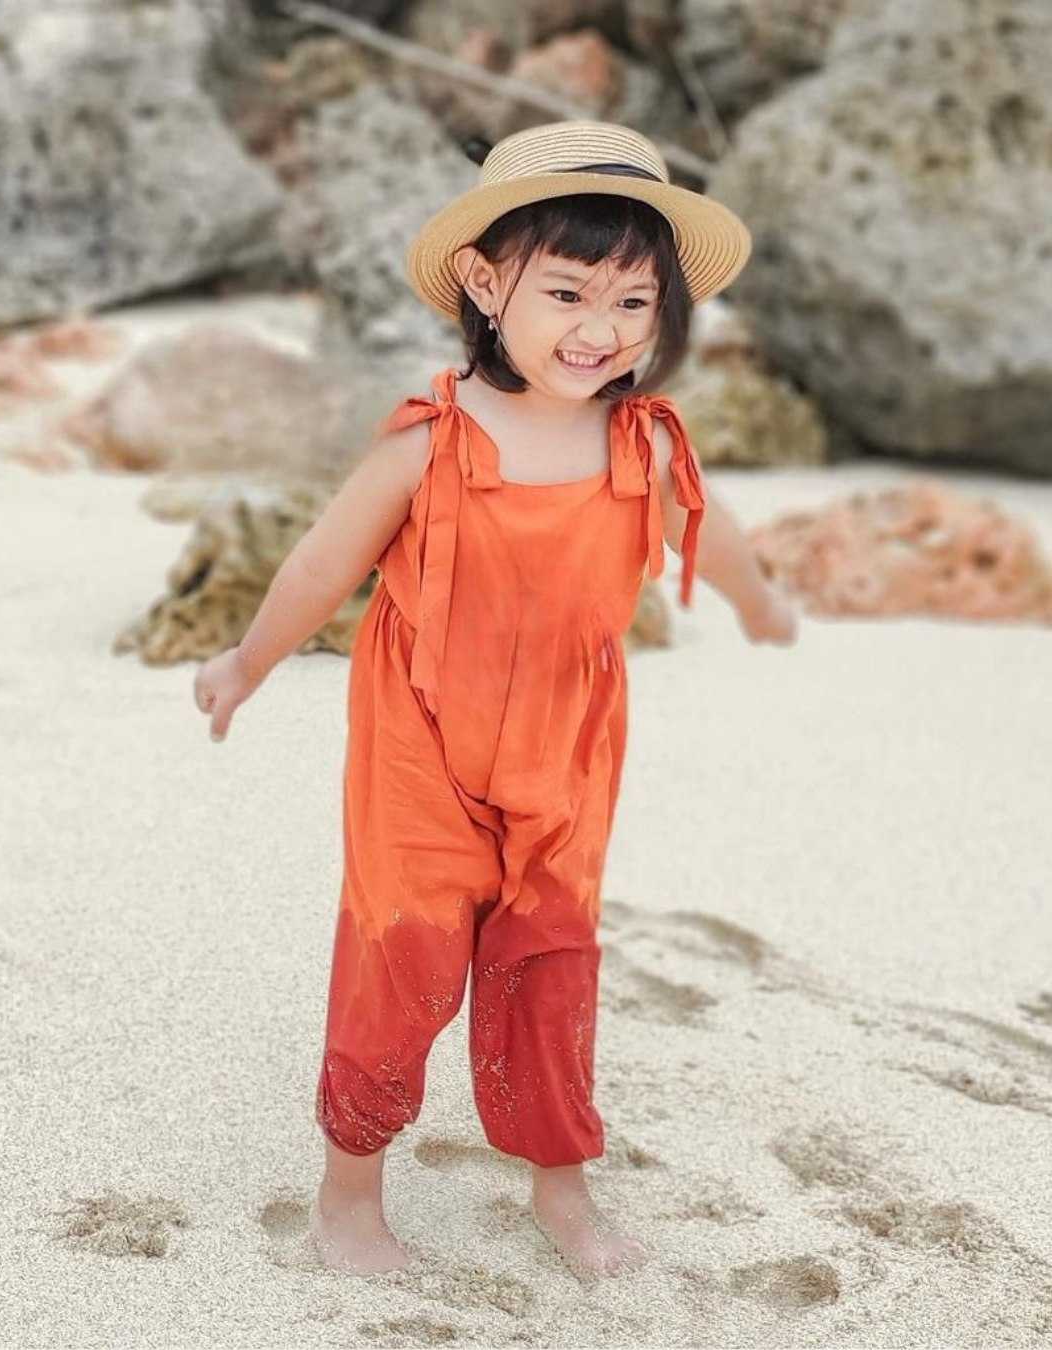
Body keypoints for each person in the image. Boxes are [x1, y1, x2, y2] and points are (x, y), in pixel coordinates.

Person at [193, 120, 798, 1280]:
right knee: (403, 955)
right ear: (482, 281)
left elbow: (705, 534)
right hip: (421, 737)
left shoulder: (641, 443)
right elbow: (323, 564)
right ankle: (349, 1195)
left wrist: (761, 602)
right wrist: (247, 662)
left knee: (551, 955)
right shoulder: (431, 444)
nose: (599, 330)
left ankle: (561, 1190)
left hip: (567, 745)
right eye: (566, 292)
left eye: (632, 302)